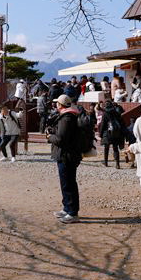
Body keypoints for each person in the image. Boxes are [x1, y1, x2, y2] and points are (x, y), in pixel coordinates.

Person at [47, 94, 82, 223]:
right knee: (66, 182)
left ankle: (72, 212)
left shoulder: (66, 118)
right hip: (67, 155)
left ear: (60, 105)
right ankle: (67, 208)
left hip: (67, 156)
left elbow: (61, 139)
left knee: (68, 183)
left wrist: (49, 137)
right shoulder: (70, 116)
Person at [100, 100, 124, 168]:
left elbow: (103, 124)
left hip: (107, 133)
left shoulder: (105, 113)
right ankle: (117, 164)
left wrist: (101, 134)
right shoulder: (116, 113)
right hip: (116, 133)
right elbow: (121, 122)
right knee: (115, 148)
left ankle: (106, 162)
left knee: (106, 148)